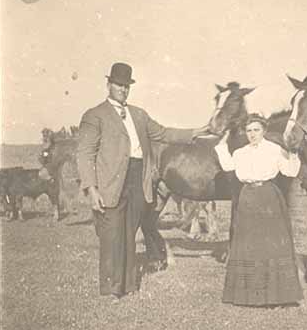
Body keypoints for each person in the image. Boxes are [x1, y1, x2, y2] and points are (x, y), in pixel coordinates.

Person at [76, 62, 210, 299]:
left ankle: (127, 285)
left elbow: (163, 133)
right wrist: (91, 188)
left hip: (138, 179)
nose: (123, 90)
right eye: (118, 85)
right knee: (111, 234)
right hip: (111, 182)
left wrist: (195, 132)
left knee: (129, 232)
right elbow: (85, 154)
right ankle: (110, 288)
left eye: (127, 86)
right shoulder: (94, 115)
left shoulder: (138, 114)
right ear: (109, 85)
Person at [214, 113, 303, 306]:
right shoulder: (240, 153)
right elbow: (227, 165)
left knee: (271, 244)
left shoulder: (274, 150)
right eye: (249, 130)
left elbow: (291, 171)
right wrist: (223, 141)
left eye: (256, 130)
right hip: (247, 198)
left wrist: (294, 153)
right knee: (249, 245)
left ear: (264, 131)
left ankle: (278, 296)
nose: (252, 134)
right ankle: (247, 296)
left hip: (269, 198)